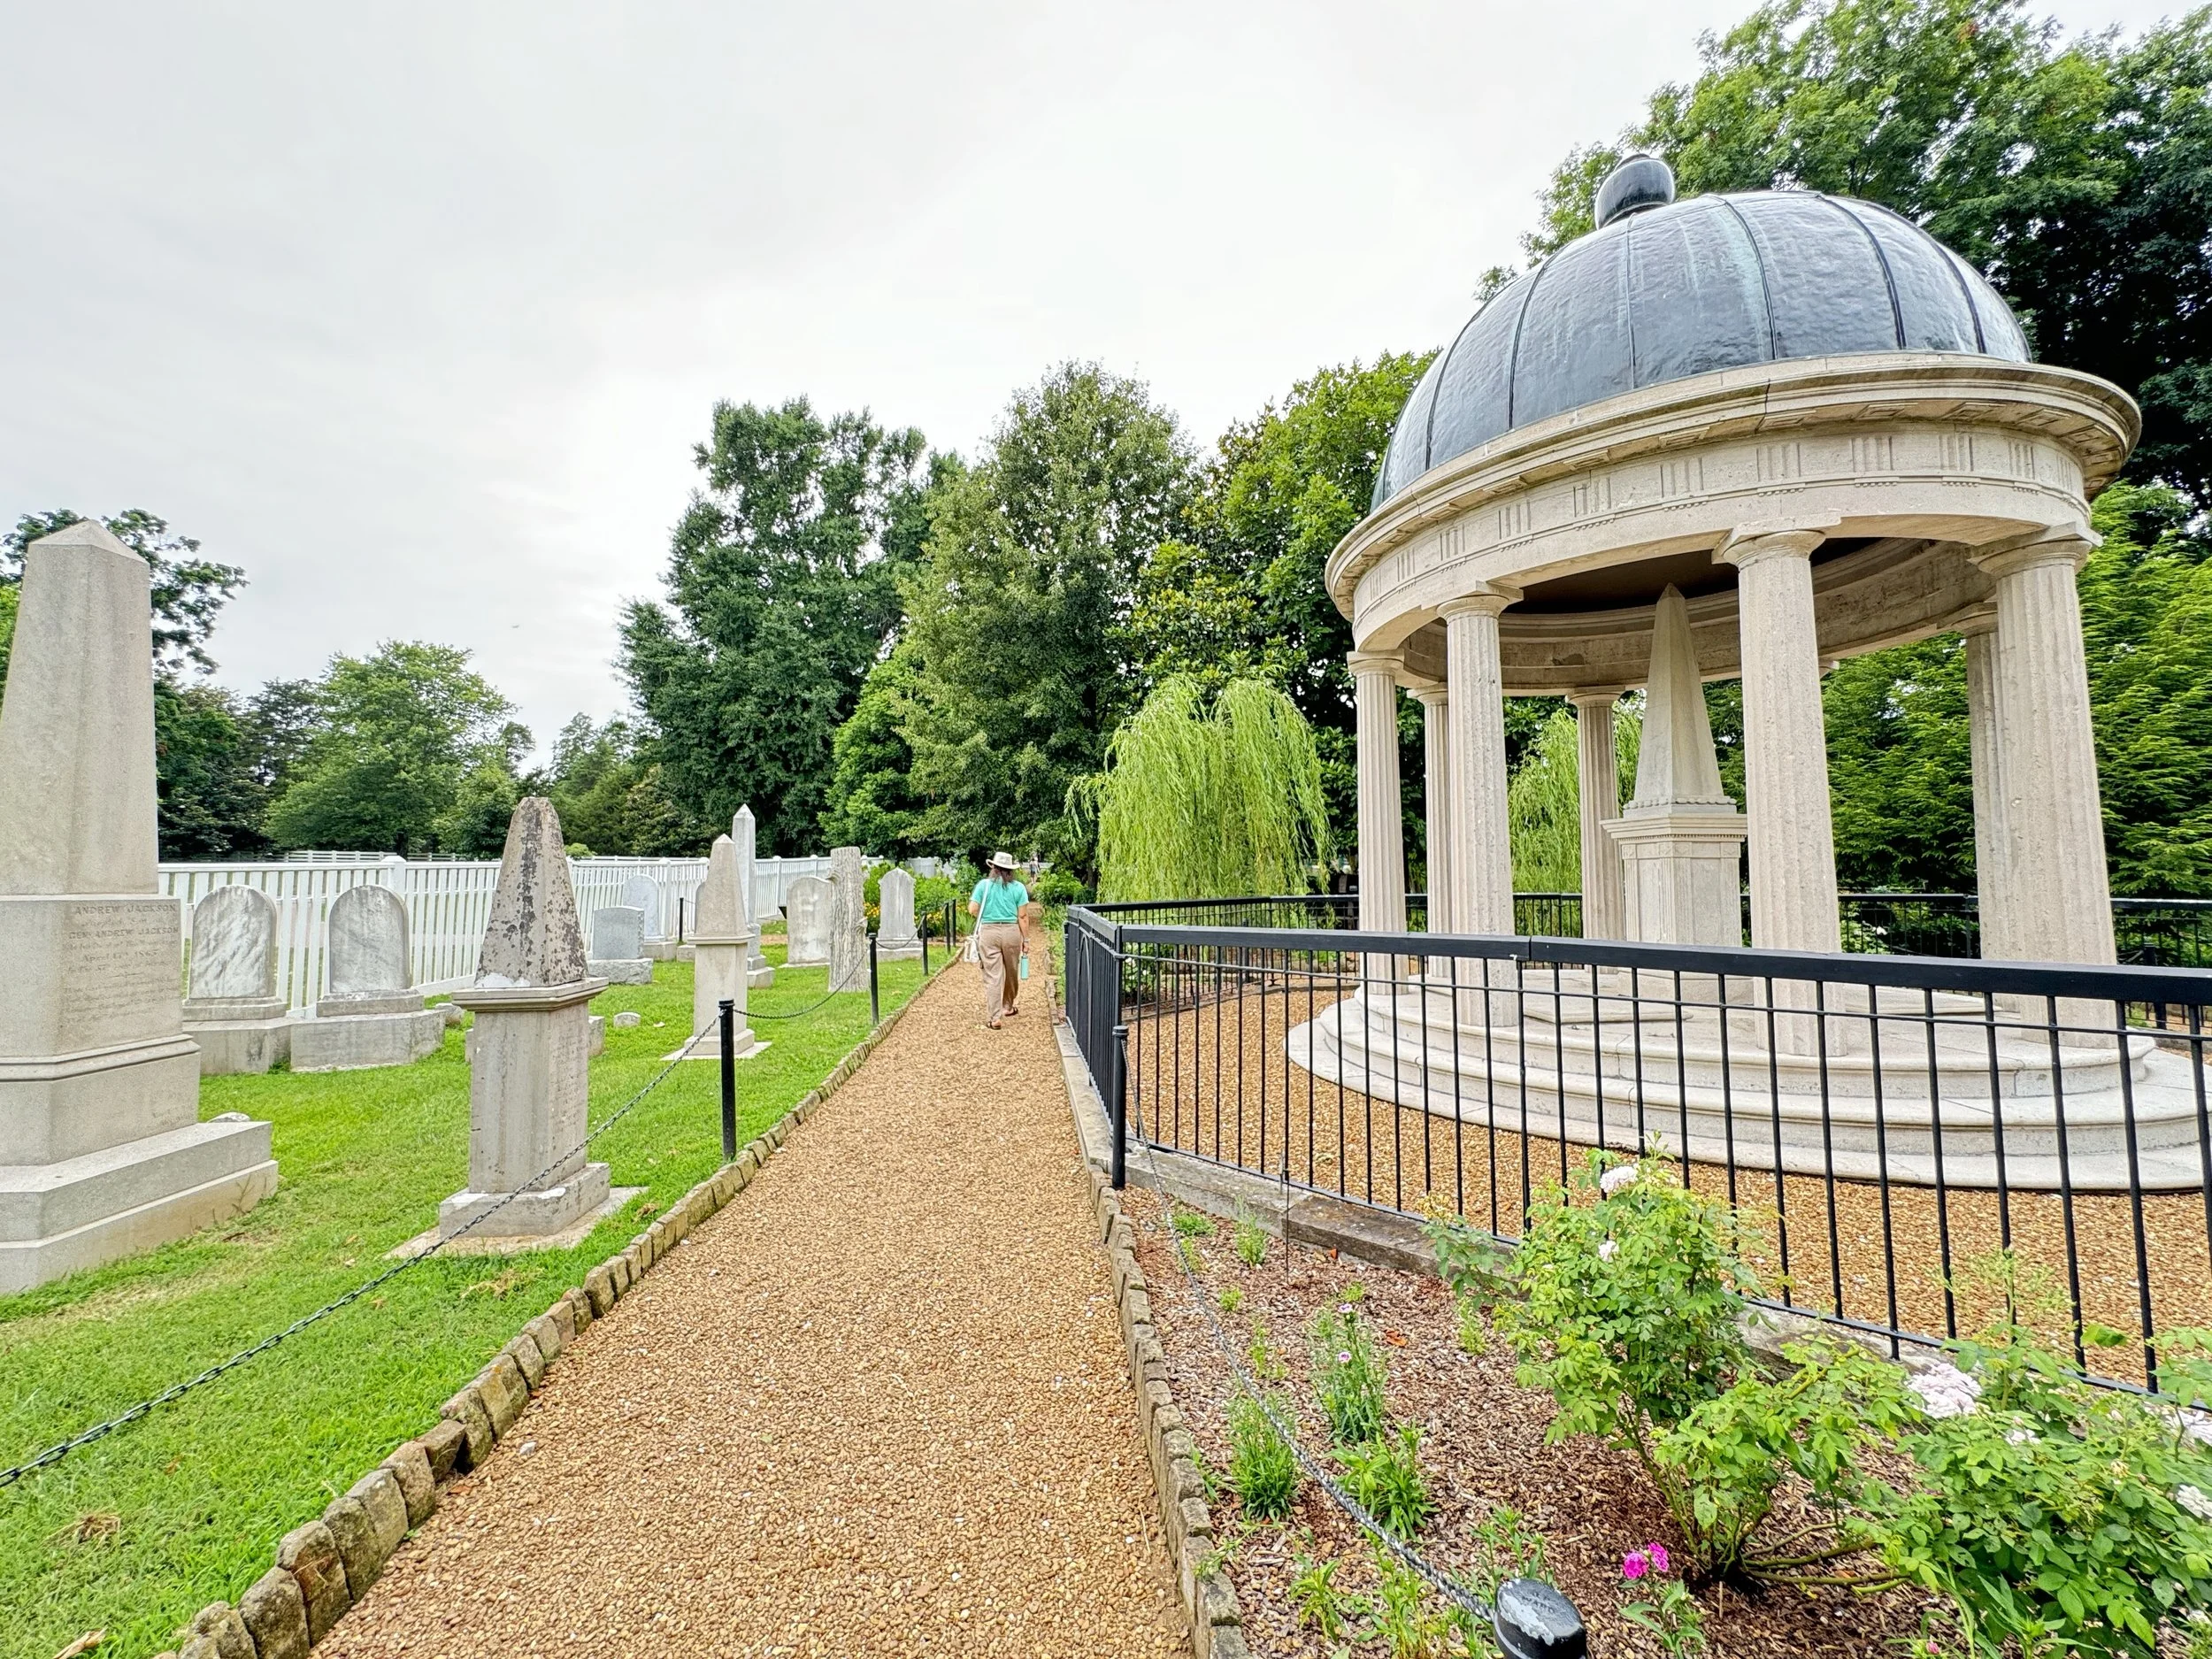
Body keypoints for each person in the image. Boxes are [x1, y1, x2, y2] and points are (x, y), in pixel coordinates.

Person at [968, 851, 1031, 1029]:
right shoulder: (1018, 888)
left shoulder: (984, 886)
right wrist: (1026, 940)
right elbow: (1023, 916)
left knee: (992, 975)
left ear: (993, 868)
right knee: (1012, 970)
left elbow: (972, 909)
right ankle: (1008, 1006)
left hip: (989, 932)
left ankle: (994, 1018)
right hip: (1011, 931)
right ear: (1010, 871)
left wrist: (986, 911)